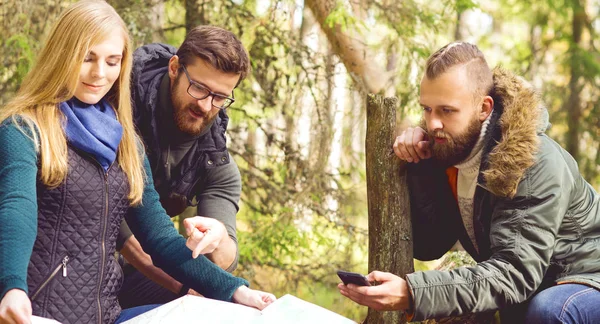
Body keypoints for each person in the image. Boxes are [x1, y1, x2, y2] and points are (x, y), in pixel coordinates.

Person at [0, 1, 274, 323]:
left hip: (107, 316)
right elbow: (16, 209)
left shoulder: (126, 142)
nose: (99, 73)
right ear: (63, 54)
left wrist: (236, 291)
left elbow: (160, 238)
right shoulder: (24, 129)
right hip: (37, 312)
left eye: (112, 61)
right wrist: (12, 288)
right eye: (87, 57)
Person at [338, 42, 600, 323]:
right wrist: (420, 165)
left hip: (587, 279)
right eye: (427, 109)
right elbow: (430, 246)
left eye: (447, 111)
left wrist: (413, 294)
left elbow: (514, 273)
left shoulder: (532, 162)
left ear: (484, 108)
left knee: (550, 312)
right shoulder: (452, 154)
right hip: (537, 287)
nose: (433, 123)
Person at [116, 25, 249, 307]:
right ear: (174, 67)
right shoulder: (115, 105)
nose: (206, 105)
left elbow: (225, 259)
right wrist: (181, 287)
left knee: (224, 304)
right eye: (199, 88)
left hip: (146, 272)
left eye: (220, 97)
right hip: (81, 256)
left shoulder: (216, 161)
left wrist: (218, 238)